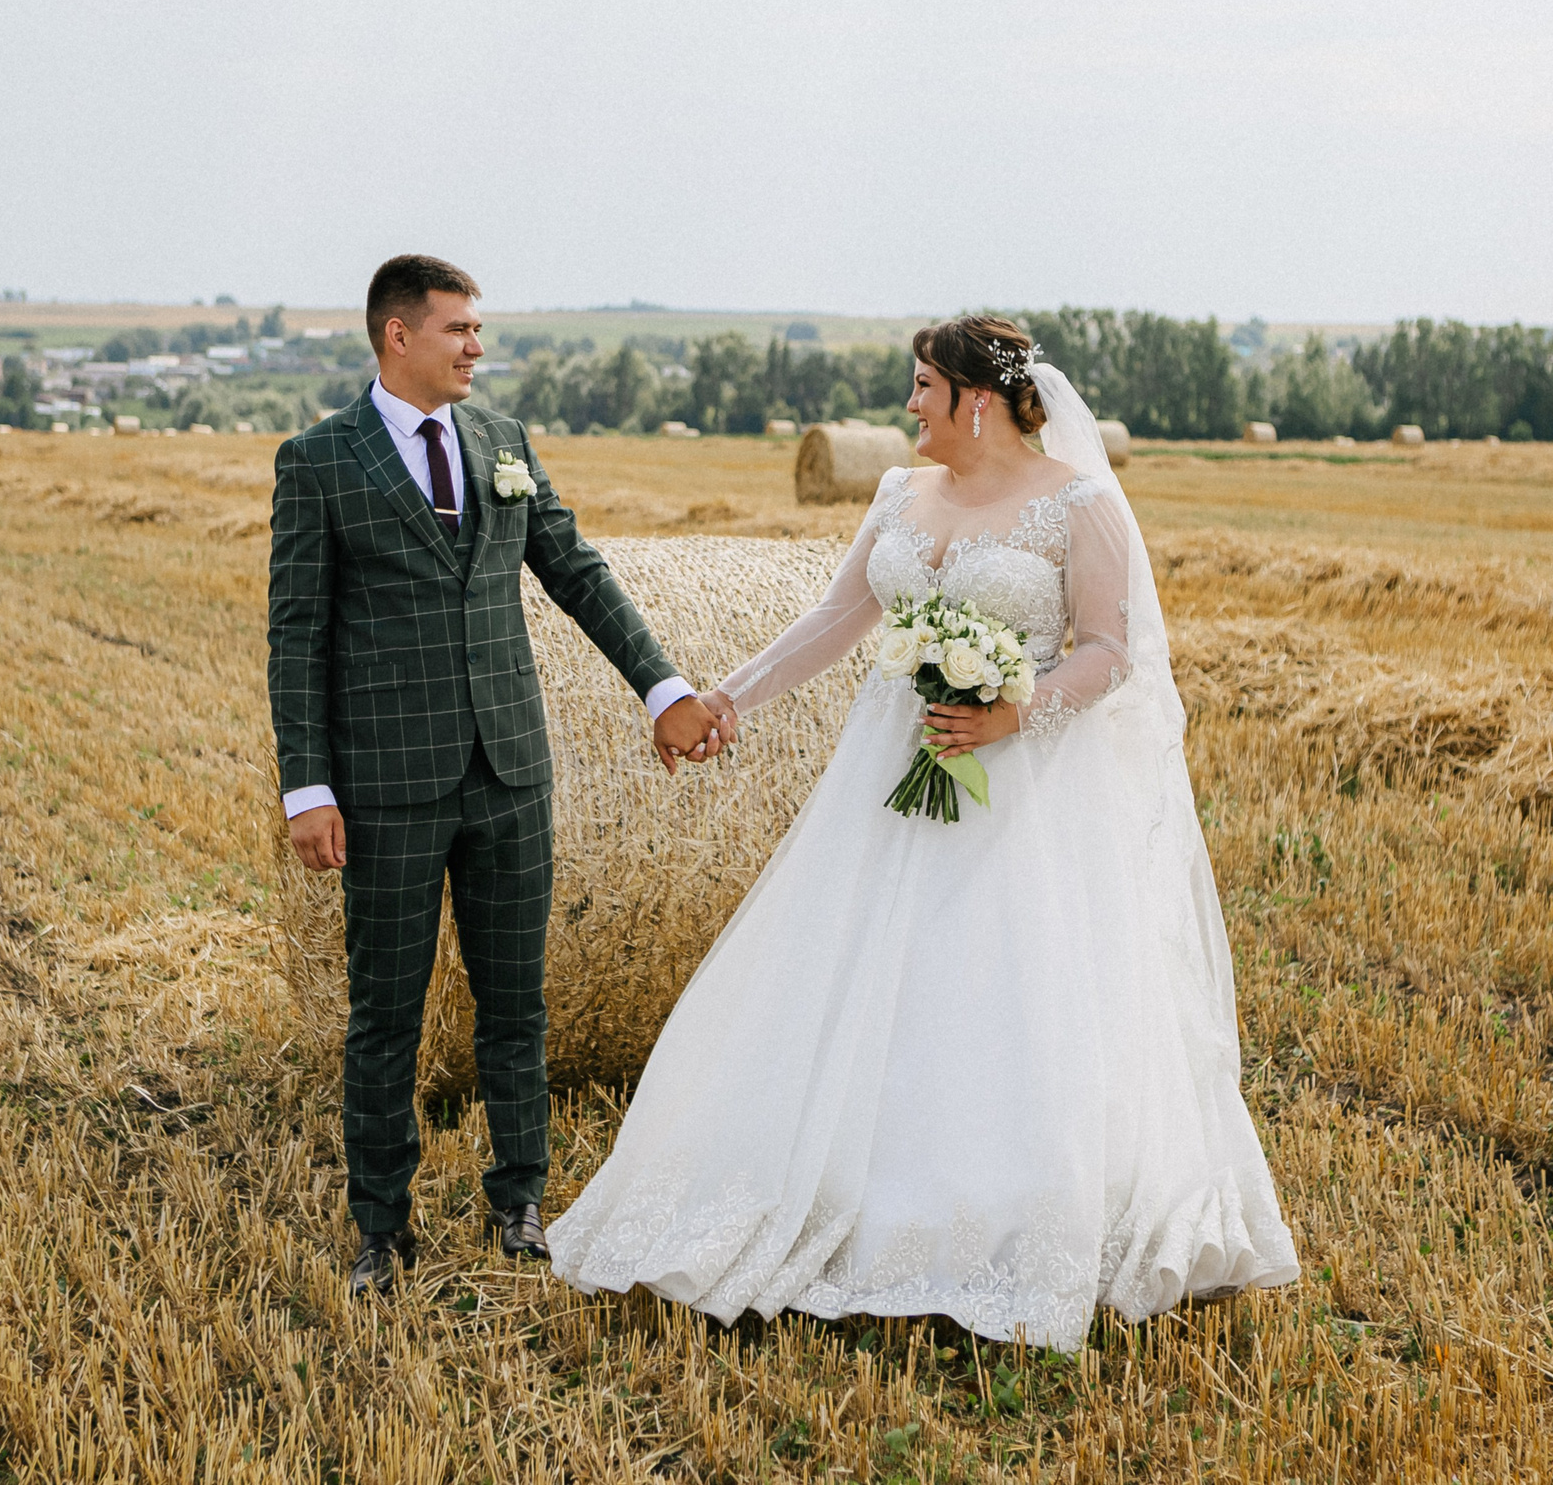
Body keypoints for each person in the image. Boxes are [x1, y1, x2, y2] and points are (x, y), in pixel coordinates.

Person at [547, 315, 1298, 1347]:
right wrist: (730, 695)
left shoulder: (1077, 502)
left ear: (972, 399)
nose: (906, 408)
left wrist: (1013, 707)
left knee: (998, 986)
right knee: (851, 970)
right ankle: (839, 1188)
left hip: (1020, 780)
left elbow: (1111, 650)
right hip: (891, 767)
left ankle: (1001, 1205)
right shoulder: (900, 492)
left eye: (920, 387)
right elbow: (835, 617)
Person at [267, 254, 737, 1297]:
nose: (477, 345)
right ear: (398, 334)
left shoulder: (503, 443)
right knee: (386, 1012)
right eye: (459, 329)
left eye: (478, 329)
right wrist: (307, 785)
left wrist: (662, 687)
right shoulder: (319, 461)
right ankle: (379, 1230)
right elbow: (295, 633)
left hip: (510, 772)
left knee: (515, 1002)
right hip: (385, 785)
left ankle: (517, 1196)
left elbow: (573, 568)